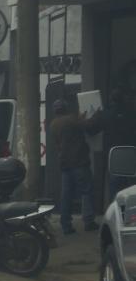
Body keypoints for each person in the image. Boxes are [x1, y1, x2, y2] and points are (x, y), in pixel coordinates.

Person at [49, 99, 101, 234]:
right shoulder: (71, 119)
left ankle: (66, 225)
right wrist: (96, 114)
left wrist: (79, 119)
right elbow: (88, 126)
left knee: (66, 195)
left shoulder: (53, 124)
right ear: (66, 108)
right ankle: (89, 221)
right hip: (79, 162)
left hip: (65, 164)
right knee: (87, 191)